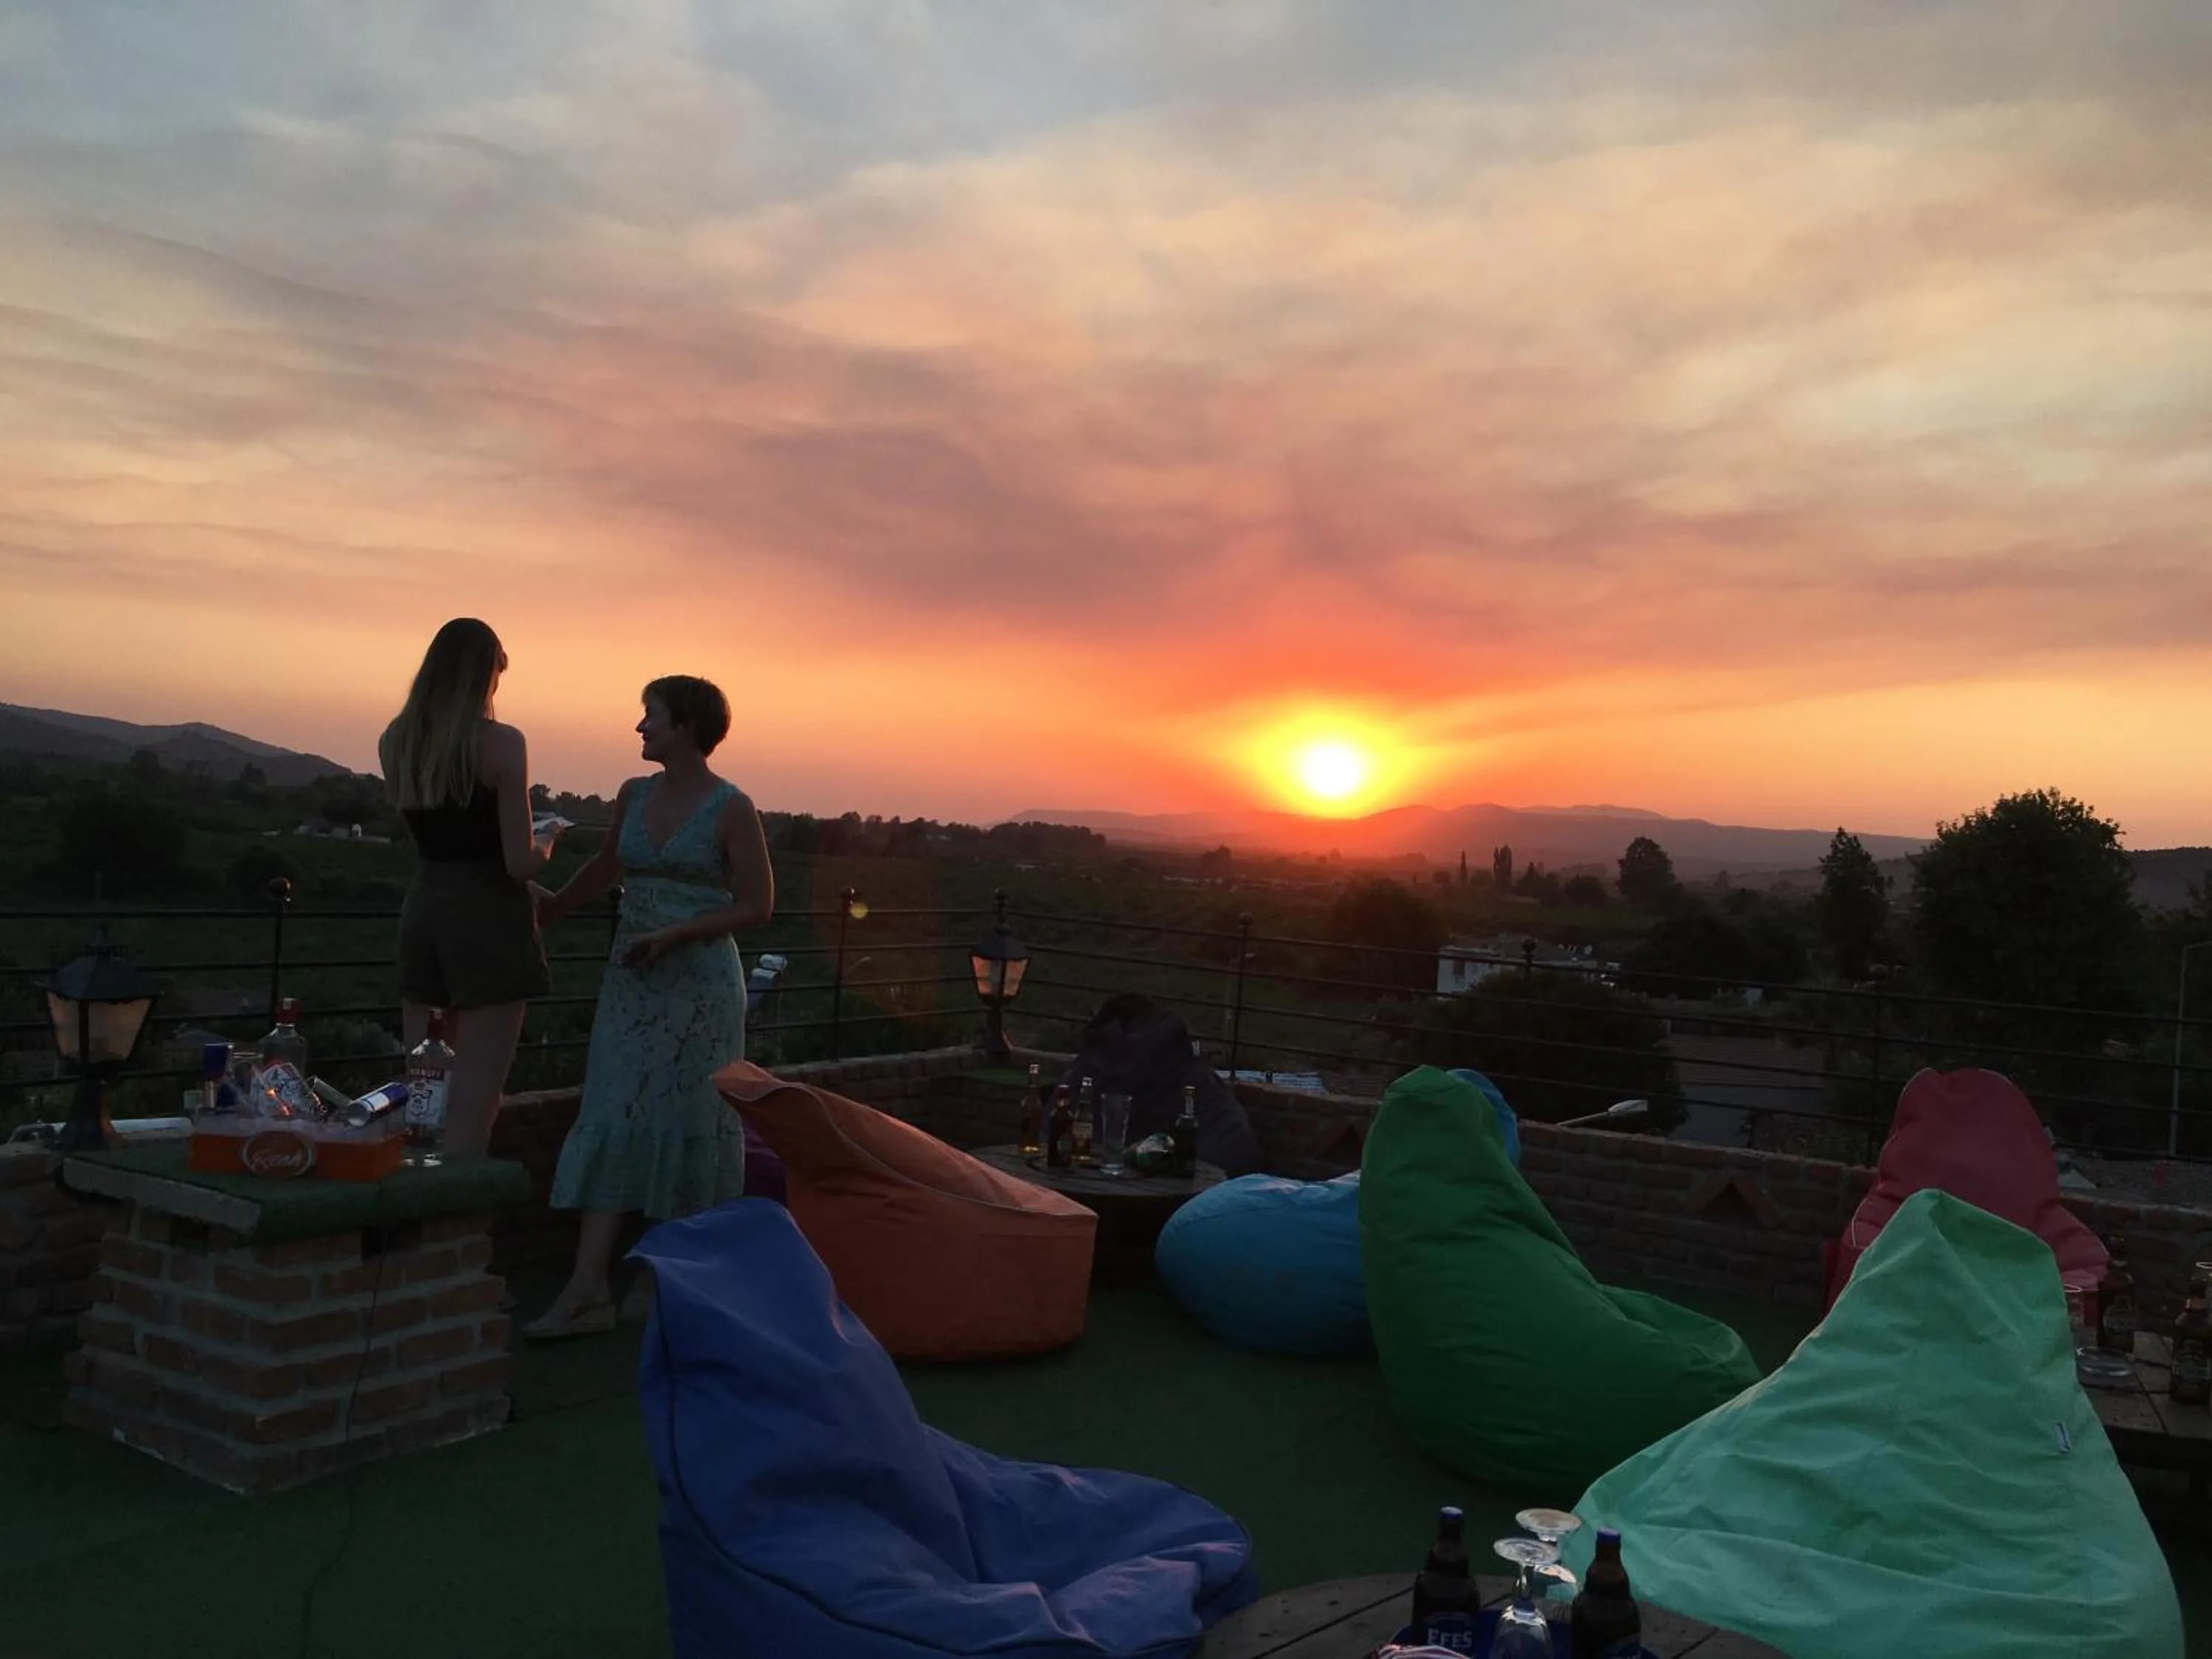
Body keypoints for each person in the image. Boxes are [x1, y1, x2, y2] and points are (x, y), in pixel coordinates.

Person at [524, 674, 773, 1338]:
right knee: (612, 1110)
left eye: (650, 716)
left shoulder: (731, 807)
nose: (639, 728)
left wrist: (676, 934)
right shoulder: (633, 794)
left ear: (687, 725)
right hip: (633, 980)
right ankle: (587, 1290)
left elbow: (757, 905)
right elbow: (608, 867)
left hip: (700, 986)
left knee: (685, 1121)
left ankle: (659, 1275)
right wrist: (551, 911)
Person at [381, 618, 555, 1156]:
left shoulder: (396, 740)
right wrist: (549, 840)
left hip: (426, 910)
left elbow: (436, 840)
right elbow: (519, 863)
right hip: (487, 922)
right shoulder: (502, 743)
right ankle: (452, 1213)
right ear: (485, 677)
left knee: (426, 1087)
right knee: (476, 1098)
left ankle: (413, 1205)